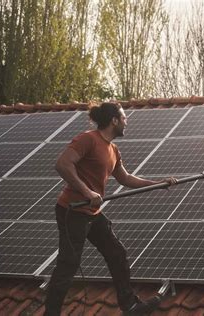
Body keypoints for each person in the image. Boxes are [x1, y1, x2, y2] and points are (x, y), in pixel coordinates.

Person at [44, 102, 177, 315]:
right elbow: (62, 164)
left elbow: (125, 178)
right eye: (124, 117)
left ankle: (130, 306)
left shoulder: (113, 149)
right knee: (68, 266)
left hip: (92, 213)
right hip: (72, 211)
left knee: (116, 253)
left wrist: (158, 184)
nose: (127, 121)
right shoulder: (88, 139)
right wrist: (88, 193)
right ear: (114, 120)